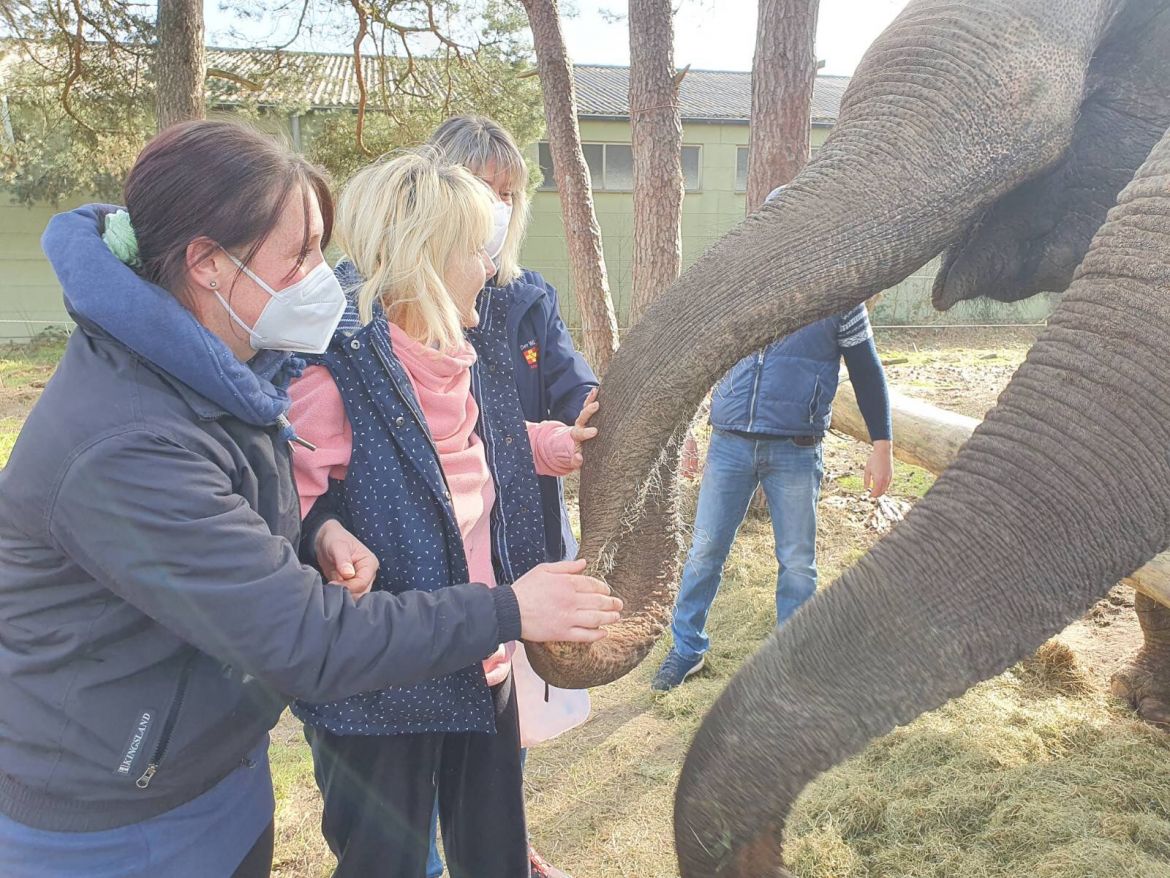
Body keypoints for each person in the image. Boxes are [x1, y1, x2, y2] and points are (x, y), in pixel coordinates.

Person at [0, 120, 620, 878]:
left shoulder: (229, 370)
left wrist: (315, 533)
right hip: (118, 816)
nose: (326, 277)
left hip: (210, 765)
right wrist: (508, 610)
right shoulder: (129, 444)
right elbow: (300, 633)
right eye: (299, 256)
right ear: (207, 263)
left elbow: (251, 530)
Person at [287, 147, 601, 878]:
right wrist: (323, 532)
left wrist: (550, 442)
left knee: (493, 850)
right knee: (386, 859)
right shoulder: (332, 377)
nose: (491, 270)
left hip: (480, 654)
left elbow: (470, 443)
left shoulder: (461, 354)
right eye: (475, 251)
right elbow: (289, 500)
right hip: (379, 693)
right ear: (426, 258)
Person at [427, 114, 597, 878]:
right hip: (434, 554)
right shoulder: (391, 302)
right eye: (482, 191)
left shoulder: (526, 297)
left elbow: (569, 383)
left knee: (507, 709)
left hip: (518, 544)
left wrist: (602, 409)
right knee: (427, 719)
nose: (497, 210)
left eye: (509, 194)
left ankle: (504, 848)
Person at [652, 186, 894, 693]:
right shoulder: (739, 290)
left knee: (798, 563)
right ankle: (686, 648)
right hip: (730, 443)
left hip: (796, 451)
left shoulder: (839, 294)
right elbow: (703, 364)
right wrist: (688, 429)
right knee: (703, 553)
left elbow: (868, 372)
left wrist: (882, 444)